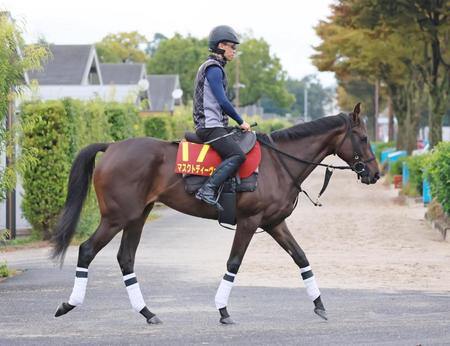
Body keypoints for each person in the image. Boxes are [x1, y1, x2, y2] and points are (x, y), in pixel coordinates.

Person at [193, 25, 251, 212]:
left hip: (213, 125)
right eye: (232, 47)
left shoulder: (214, 67)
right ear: (221, 46)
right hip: (209, 126)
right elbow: (223, 102)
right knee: (237, 155)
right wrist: (241, 121)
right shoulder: (214, 69)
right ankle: (207, 189)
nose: (234, 51)